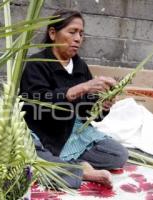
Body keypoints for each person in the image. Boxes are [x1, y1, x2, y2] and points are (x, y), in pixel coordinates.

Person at [19, 9, 128, 189]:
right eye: (72, 32)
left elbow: (88, 113)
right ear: (53, 33)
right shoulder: (37, 64)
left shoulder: (80, 66)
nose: (78, 38)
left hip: (70, 132)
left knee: (118, 155)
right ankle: (81, 170)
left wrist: (103, 105)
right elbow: (36, 104)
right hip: (42, 131)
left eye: (81, 33)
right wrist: (82, 88)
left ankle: (67, 162)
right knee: (30, 156)